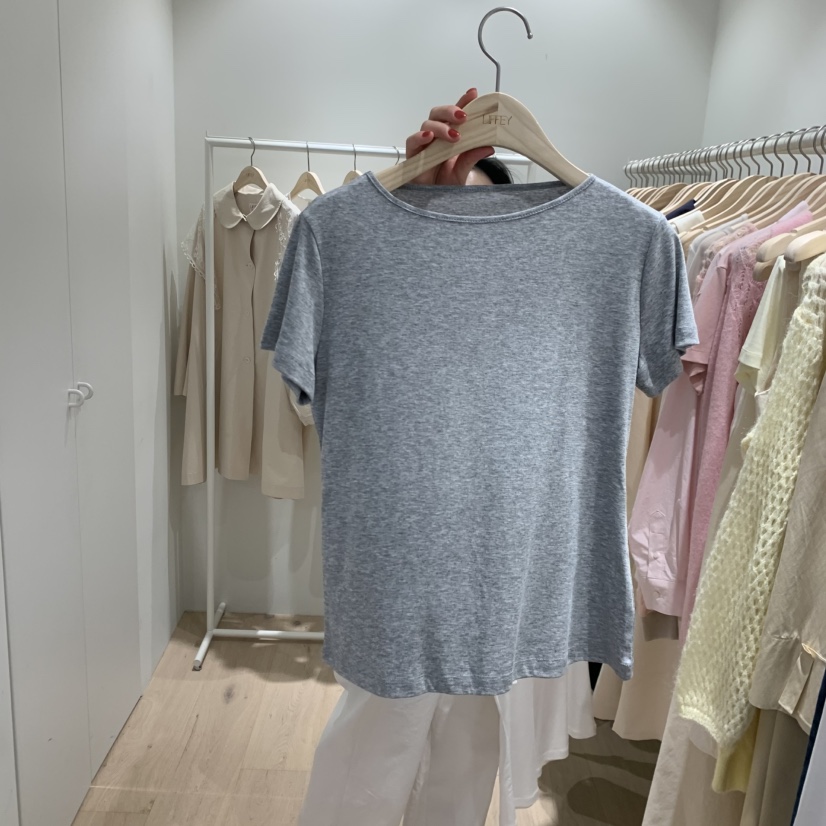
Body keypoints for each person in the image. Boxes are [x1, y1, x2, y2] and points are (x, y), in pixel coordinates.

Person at [296, 89, 519, 826]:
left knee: (470, 742)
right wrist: (404, 217)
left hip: (497, 561)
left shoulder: (528, 308)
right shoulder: (365, 270)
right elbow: (313, 397)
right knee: (378, 736)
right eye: (442, 214)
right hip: (395, 554)